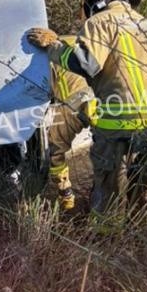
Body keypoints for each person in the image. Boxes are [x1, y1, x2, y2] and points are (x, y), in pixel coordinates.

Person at [28, 0, 147, 224]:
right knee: (145, 188)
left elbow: (86, 63)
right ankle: (145, 238)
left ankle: (107, 244)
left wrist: (54, 46)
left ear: (96, 2)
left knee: (109, 191)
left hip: (120, 119)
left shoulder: (99, 22)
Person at [47, 37, 95, 214]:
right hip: (103, 96)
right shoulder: (82, 40)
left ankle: (66, 197)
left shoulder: (47, 52)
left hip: (74, 102)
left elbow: (46, 88)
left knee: (55, 146)